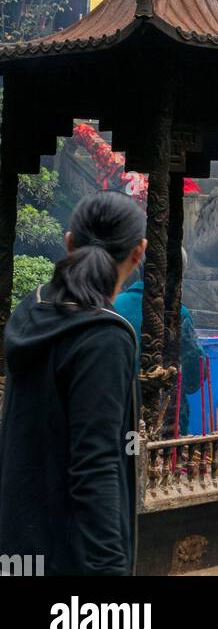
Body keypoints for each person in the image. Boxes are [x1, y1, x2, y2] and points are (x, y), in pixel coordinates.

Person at [0, 192, 145, 576]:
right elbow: (95, 466)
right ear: (139, 252)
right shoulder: (103, 338)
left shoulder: (31, 310)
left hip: (20, 542)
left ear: (69, 242)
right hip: (71, 559)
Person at [113, 245, 205, 436]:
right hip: (165, 422)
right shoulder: (179, 314)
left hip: (116, 414)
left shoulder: (113, 304)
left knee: (130, 458)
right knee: (158, 463)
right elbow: (194, 377)